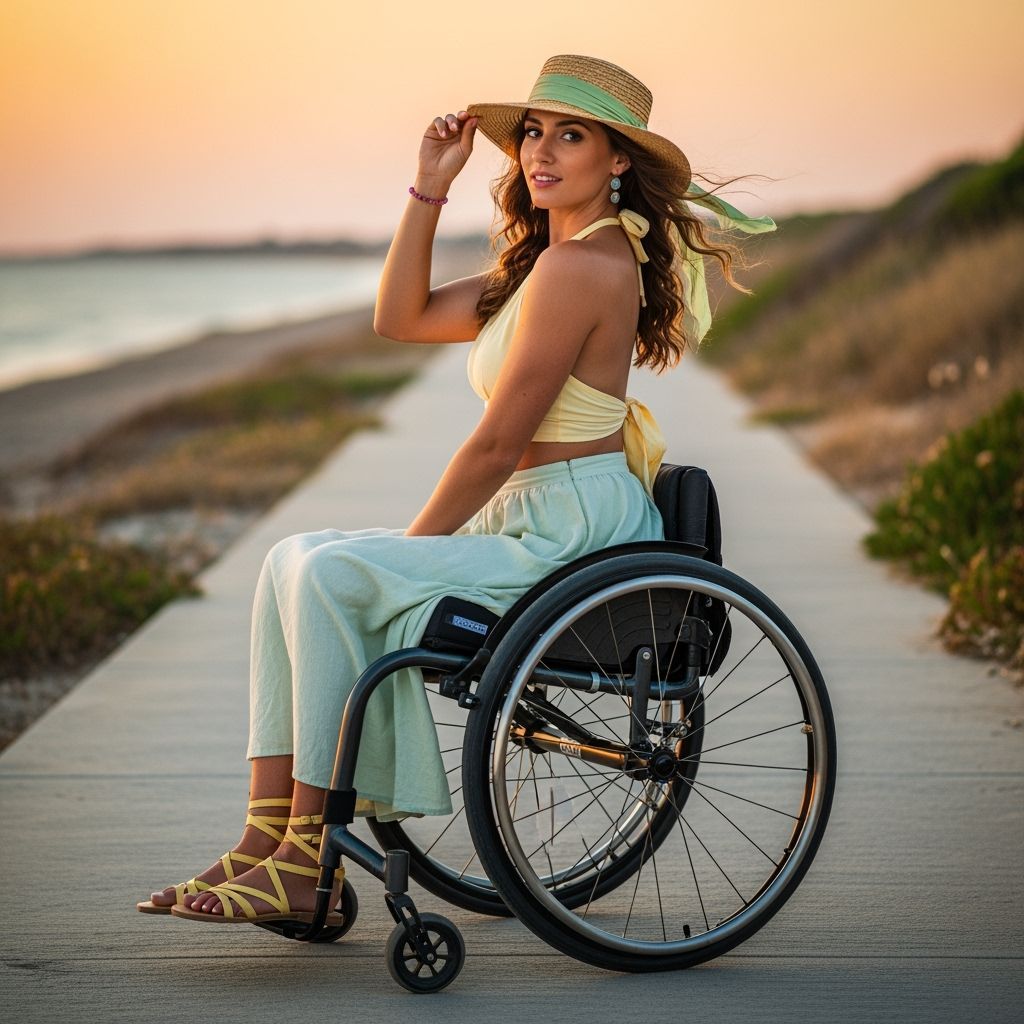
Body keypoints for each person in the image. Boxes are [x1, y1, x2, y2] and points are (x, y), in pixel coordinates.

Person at [137, 54, 775, 925]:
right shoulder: (544, 266)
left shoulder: (584, 268)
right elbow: (398, 317)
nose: (541, 152)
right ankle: (264, 844)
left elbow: (498, 445)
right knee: (293, 555)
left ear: (618, 160)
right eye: (533, 134)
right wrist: (428, 187)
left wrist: (413, 548)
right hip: (530, 522)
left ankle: (306, 856)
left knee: (333, 574)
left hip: (570, 533)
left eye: (572, 134)